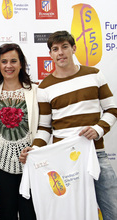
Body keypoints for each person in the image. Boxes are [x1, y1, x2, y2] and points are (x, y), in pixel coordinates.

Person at [20, 30, 117, 220]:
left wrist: (97, 130)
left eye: (64, 47)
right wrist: (35, 149)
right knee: (72, 214)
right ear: (50, 54)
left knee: (112, 211)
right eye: (55, 49)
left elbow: (112, 110)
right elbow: (45, 128)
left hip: (96, 153)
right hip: (65, 161)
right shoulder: (45, 86)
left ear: (73, 48)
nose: (60, 52)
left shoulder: (95, 74)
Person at [0, 43, 38, 220]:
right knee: (5, 213)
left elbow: (44, 127)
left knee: (29, 214)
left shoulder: (36, 90)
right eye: (4, 61)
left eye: (14, 61)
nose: (9, 66)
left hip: (30, 163)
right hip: (0, 165)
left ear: (21, 63)